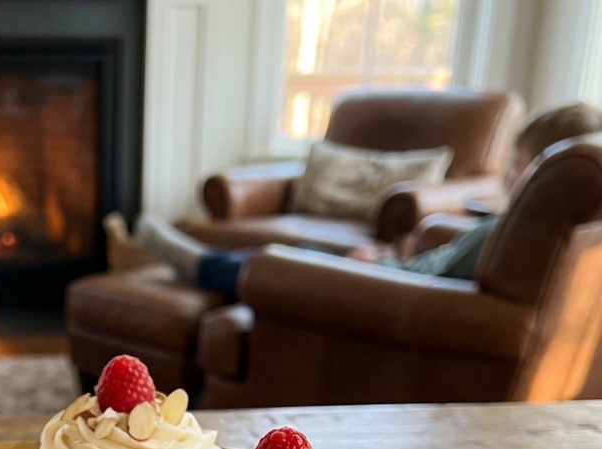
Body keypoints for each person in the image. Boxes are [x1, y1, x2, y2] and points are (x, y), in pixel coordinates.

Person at [126, 101, 602, 301]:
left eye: (518, 165)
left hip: (379, 287)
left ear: (541, 169)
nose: (508, 175)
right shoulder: (545, 242)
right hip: (386, 271)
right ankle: (199, 258)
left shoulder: (494, 237)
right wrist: (386, 257)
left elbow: (428, 290)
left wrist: (376, 267)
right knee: (305, 254)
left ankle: (194, 261)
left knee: (276, 262)